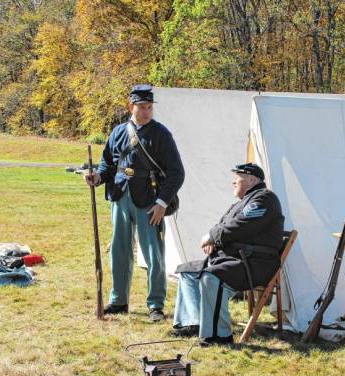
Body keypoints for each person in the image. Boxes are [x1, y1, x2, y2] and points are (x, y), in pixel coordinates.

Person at [84, 84, 184, 321]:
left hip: (149, 201)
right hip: (120, 196)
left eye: (149, 107)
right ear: (132, 106)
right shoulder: (118, 131)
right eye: (142, 107)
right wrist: (97, 177)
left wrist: (161, 203)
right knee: (119, 251)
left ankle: (156, 305)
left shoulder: (161, 134)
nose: (147, 112)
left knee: (154, 255)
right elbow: (108, 163)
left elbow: (176, 173)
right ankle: (119, 300)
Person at [171, 163, 284, 345]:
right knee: (188, 272)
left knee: (212, 277)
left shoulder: (264, 199)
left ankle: (219, 336)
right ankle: (194, 322)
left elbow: (240, 226)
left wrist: (212, 237)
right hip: (236, 258)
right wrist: (214, 240)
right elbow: (222, 224)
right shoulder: (243, 202)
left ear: (251, 180)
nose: (234, 182)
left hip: (256, 262)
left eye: (238, 177)